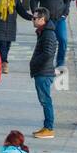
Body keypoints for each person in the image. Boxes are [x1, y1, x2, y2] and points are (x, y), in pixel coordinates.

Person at [29, 0, 71, 71]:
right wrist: (36, 14)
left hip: (59, 19)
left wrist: (65, 13)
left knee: (63, 40)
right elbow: (33, 0)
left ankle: (60, 63)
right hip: (46, 20)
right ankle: (43, 63)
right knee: (45, 42)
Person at [29, 9, 58, 138]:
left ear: (42, 19)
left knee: (46, 100)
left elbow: (48, 53)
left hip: (44, 72)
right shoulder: (43, 32)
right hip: (42, 71)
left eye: (35, 18)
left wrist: (35, 62)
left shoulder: (48, 34)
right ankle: (46, 126)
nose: (33, 20)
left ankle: (49, 128)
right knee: (44, 100)